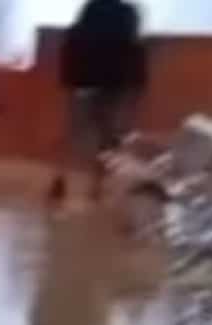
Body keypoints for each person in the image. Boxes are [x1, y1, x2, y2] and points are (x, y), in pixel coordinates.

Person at [49, 0, 147, 208]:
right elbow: (135, 48)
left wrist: (70, 78)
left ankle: (62, 180)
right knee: (110, 137)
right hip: (117, 82)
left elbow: (73, 43)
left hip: (85, 81)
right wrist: (138, 84)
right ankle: (100, 186)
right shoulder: (127, 13)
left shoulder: (90, 9)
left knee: (76, 134)